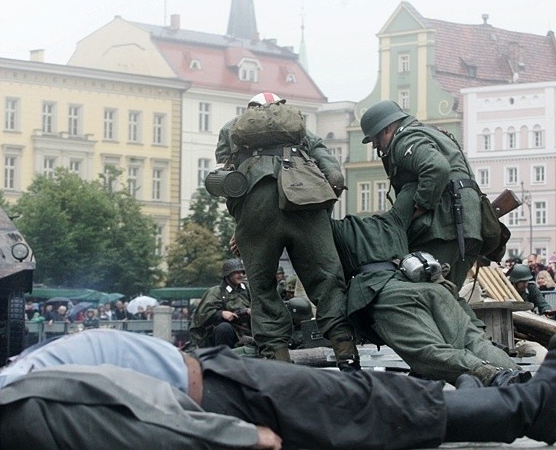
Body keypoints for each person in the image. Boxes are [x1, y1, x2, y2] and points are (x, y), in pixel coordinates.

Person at [0, 328, 556, 450]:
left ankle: (507, 396)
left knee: (366, 396)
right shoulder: (24, 411)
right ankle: (528, 410)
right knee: (375, 408)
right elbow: (138, 425)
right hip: (223, 398)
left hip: (213, 374)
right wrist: (238, 437)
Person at [216, 92, 359, 369]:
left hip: (257, 207)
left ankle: (278, 364)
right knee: (327, 280)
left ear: (250, 112)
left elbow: (226, 177)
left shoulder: (232, 129)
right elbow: (329, 167)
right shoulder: (297, 127)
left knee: (263, 289)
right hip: (304, 199)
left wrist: (242, 224)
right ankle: (347, 355)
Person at [330, 199, 527, 387]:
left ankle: (491, 376)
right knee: (472, 340)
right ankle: (520, 377)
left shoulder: (336, 230)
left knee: (429, 352)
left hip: (386, 294)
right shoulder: (394, 220)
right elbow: (427, 179)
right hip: (430, 286)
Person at [359, 100, 485, 328]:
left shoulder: (404, 139)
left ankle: (481, 349)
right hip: (467, 225)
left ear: (388, 128)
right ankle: (486, 349)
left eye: (377, 139)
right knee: (447, 295)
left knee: (434, 294)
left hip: (444, 227)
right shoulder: (433, 133)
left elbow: (436, 168)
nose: (378, 147)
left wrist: (421, 205)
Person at [189, 259, 252, 348]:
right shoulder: (216, 291)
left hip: (248, 329)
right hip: (226, 332)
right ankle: (222, 358)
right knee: (224, 328)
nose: (241, 275)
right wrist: (221, 314)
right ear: (228, 274)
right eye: (237, 273)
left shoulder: (248, 290)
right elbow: (201, 315)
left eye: (242, 272)